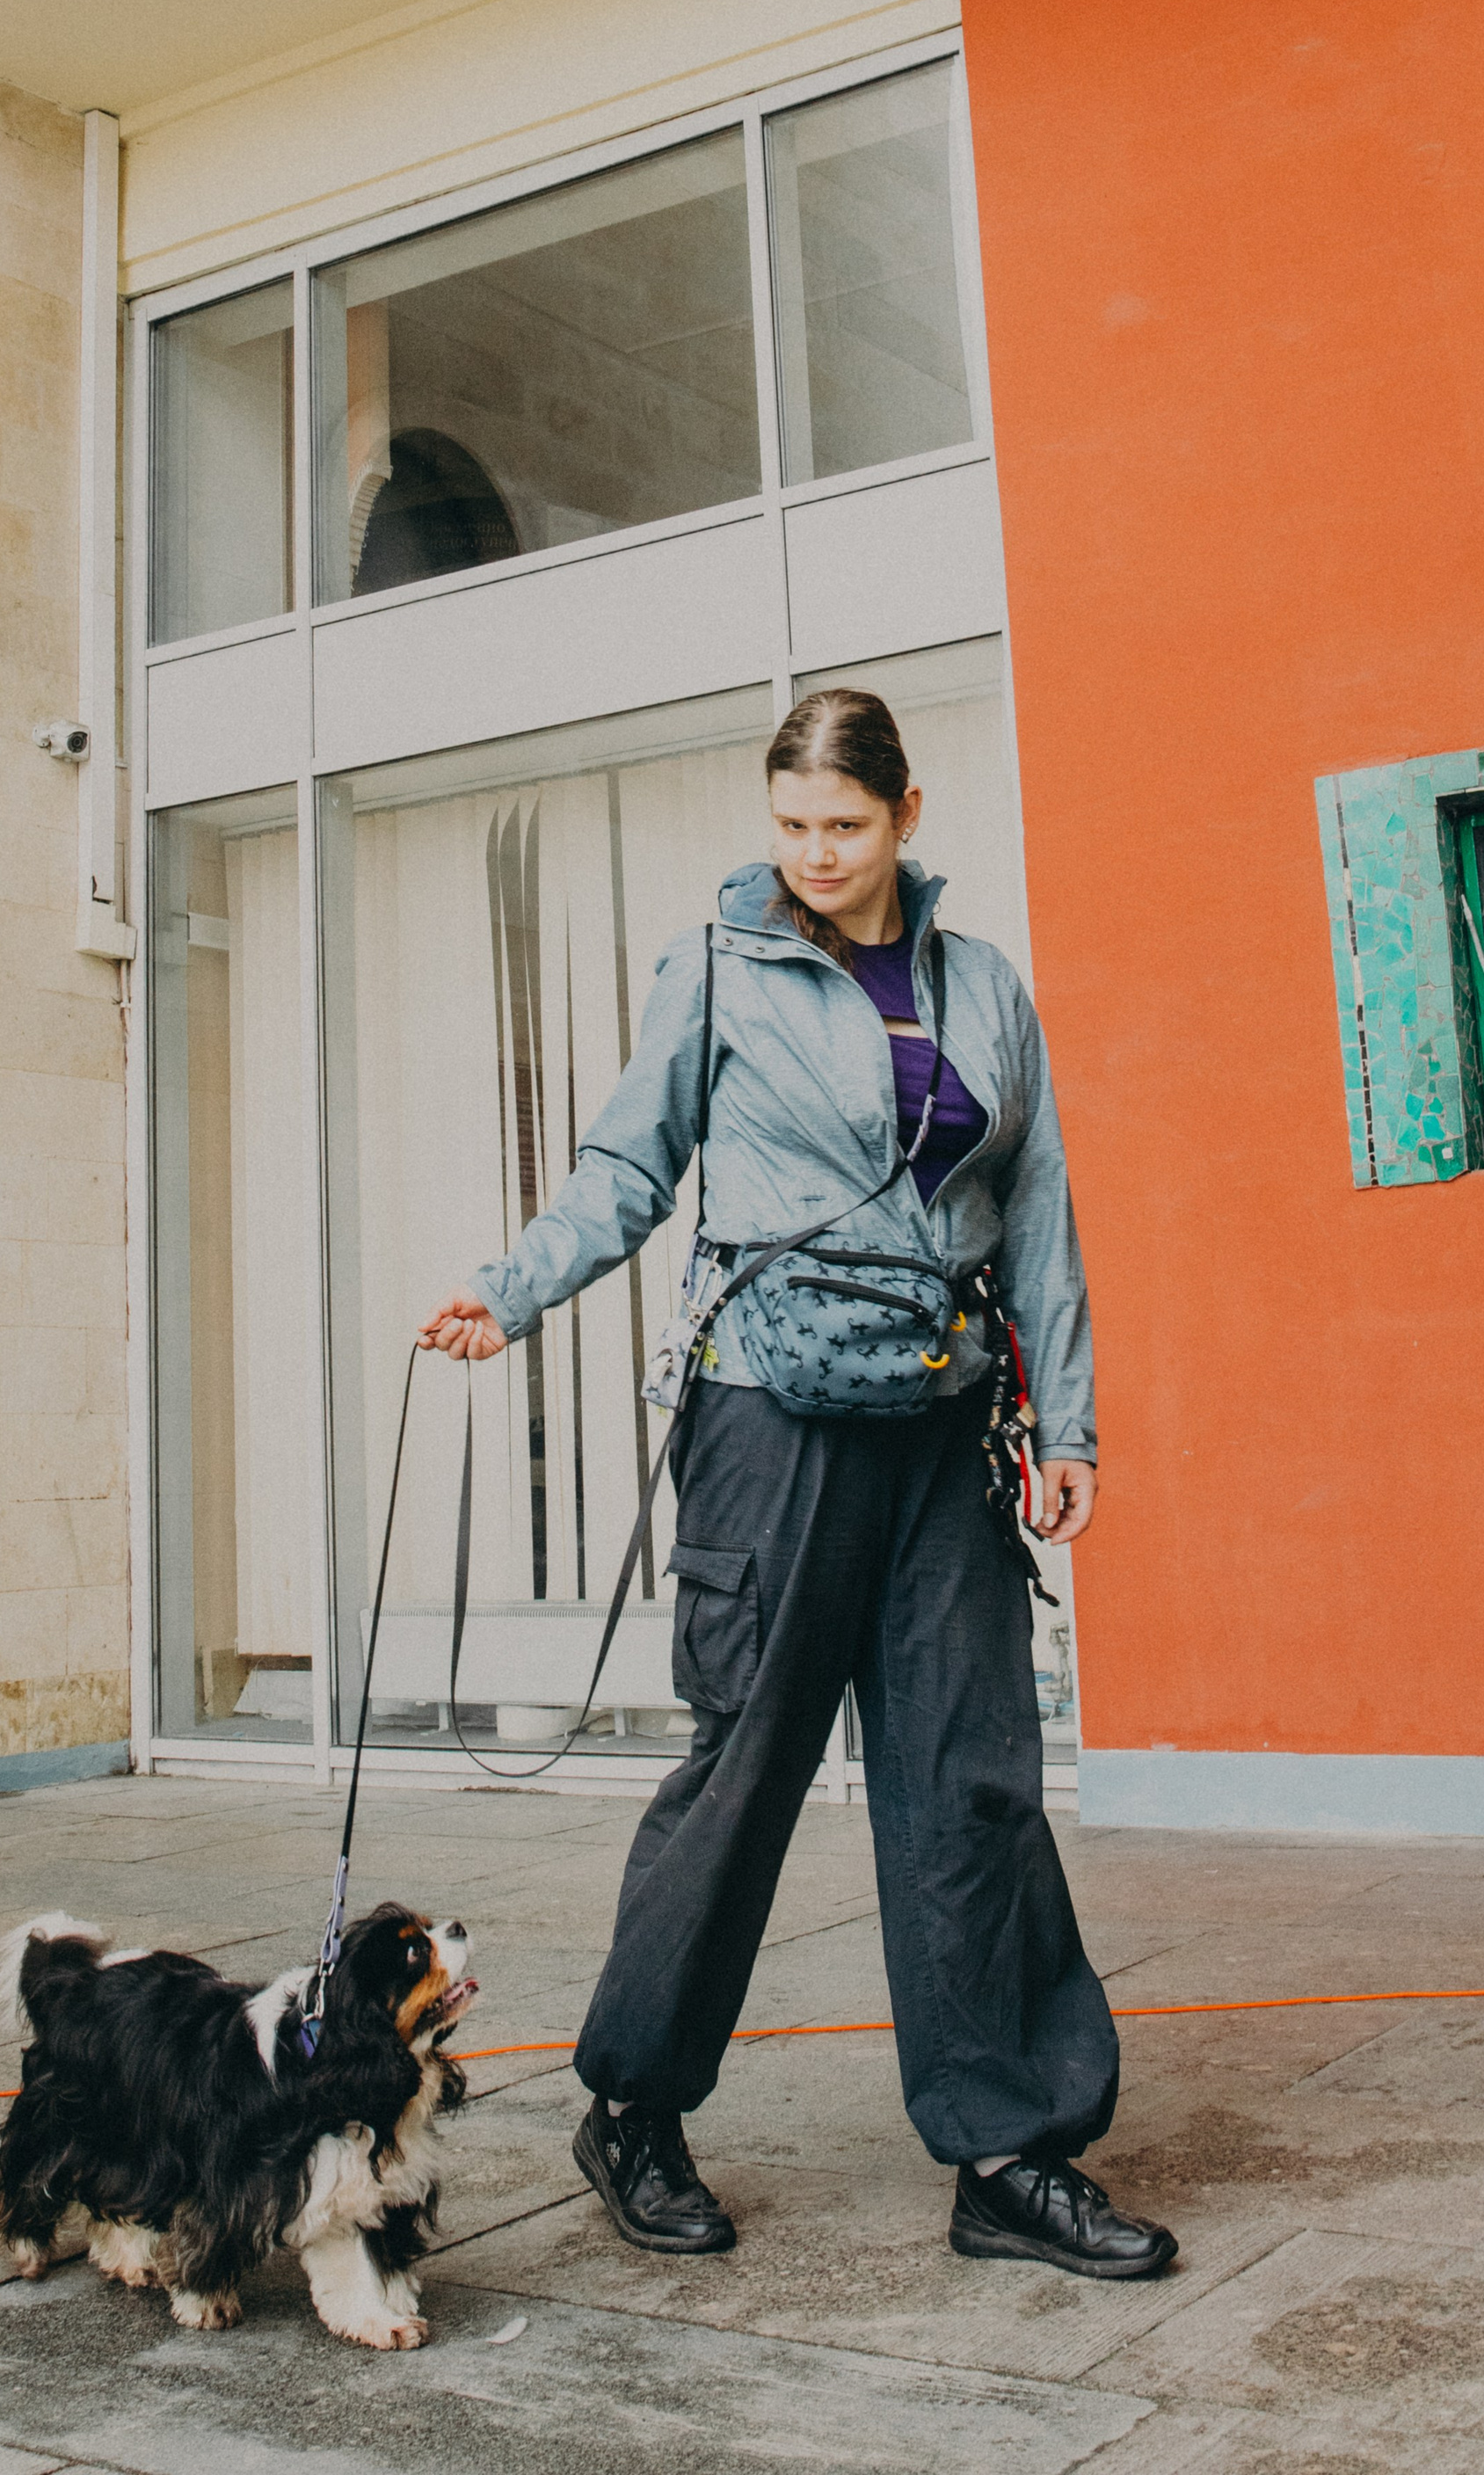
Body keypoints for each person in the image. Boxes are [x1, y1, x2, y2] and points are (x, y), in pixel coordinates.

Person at [418, 688, 1175, 2282]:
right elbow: (632, 1164)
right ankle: (631, 2109)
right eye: (790, 826)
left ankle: (1005, 2147)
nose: (814, 856)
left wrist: (1073, 1427)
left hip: (944, 1422)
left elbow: (1034, 1216)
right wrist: (517, 1284)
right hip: (769, 1413)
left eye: (843, 825)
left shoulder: (985, 987)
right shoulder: (717, 966)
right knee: (746, 1767)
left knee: (974, 1775)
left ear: (908, 815)